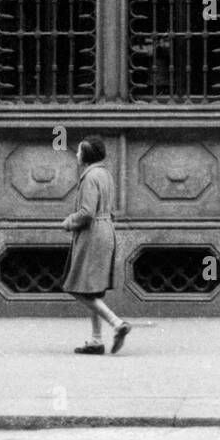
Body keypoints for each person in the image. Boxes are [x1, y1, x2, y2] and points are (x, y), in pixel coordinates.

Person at [60, 138, 129, 355]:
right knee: (93, 288)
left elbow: (87, 213)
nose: (77, 154)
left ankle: (116, 323)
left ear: (86, 155)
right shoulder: (105, 174)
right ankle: (96, 340)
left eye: (79, 150)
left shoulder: (90, 176)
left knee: (76, 287)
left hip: (92, 234)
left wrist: (69, 221)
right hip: (106, 229)